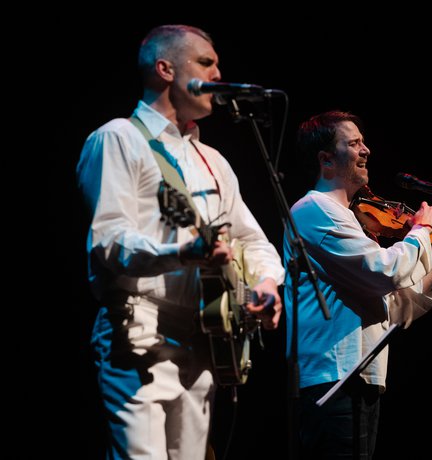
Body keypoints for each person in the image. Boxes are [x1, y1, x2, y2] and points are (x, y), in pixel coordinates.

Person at [76, 24, 285, 459]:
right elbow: (109, 241)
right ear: (165, 68)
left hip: (205, 336)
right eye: (206, 63)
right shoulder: (120, 138)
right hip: (138, 329)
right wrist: (183, 252)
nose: (218, 74)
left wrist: (266, 285)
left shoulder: (213, 160)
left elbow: (254, 239)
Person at [283, 110, 432, 459]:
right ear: (326, 159)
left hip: (358, 376)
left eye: (363, 141)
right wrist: (422, 229)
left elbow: (393, 307)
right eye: (354, 143)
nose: (366, 150)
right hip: (334, 377)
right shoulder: (314, 209)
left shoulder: (348, 220)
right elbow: (386, 272)